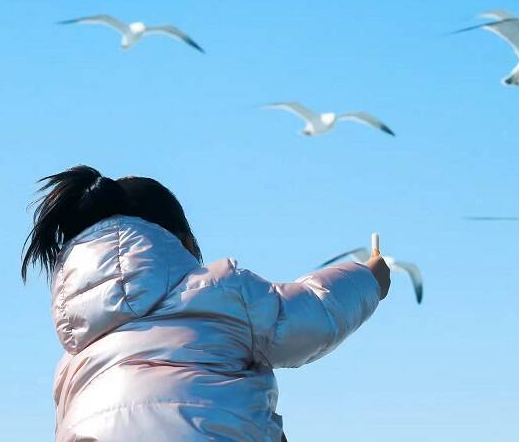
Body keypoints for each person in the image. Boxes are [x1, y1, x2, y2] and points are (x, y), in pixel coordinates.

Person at [22, 165, 390, 442]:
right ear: (178, 242)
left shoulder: (75, 358)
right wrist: (368, 278)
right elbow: (310, 316)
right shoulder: (219, 292)